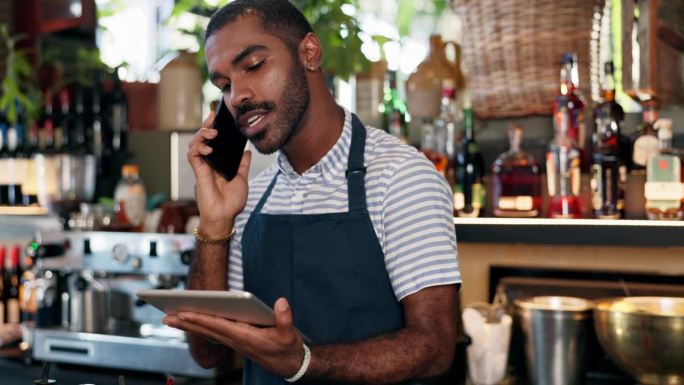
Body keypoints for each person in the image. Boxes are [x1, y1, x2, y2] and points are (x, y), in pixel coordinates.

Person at [165, 0, 462, 384]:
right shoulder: (248, 198)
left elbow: (435, 347)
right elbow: (206, 353)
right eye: (224, 85)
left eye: (253, 66)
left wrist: (305, 362)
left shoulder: (400, 177)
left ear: (309, 52)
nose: (237, 96)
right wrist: (215, 223)